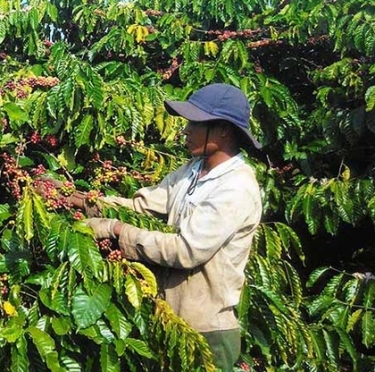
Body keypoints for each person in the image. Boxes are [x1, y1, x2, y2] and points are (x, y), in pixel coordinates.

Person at [43, 83, 263, 371]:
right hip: (166, 319)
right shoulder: (192, 171)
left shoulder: (236, 187)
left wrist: (117, 230)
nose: (185, 131)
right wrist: (76, 198)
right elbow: (141, 207)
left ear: (223, 130)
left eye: (195, 123)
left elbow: (187, 251)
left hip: (206, 333)